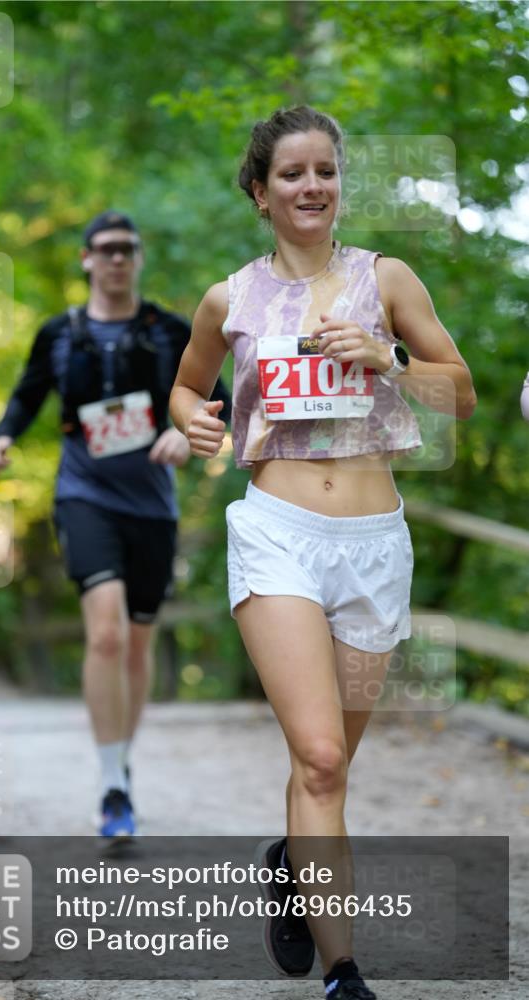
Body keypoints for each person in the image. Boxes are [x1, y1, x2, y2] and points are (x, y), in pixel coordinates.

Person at [170, 106, 476, 998]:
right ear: (260, 193)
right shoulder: (229, 299)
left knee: (335, 757)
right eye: (293, 175)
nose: (312, 187)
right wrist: (190, 420)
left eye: (325, 172)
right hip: (278, 533)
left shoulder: (387, 279)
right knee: (320, 759)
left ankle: (290, 863)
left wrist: (384, 357)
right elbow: (189, 391)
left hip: (374, 541)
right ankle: (345, 973)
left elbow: (456, 396)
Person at [0, 211, 231, 839]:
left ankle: (121, 761)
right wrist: (4, 437)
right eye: (106, 249)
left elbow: (216, 402)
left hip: (152, 503)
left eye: (128, 249)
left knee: (139, 642)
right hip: (83, 492)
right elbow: (28, 391)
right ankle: (111, 784)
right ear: (86, 259)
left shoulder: (171, 329)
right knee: (107, 636)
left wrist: (188, 434)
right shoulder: (59, 333)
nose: (118, 259)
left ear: (139, 259)